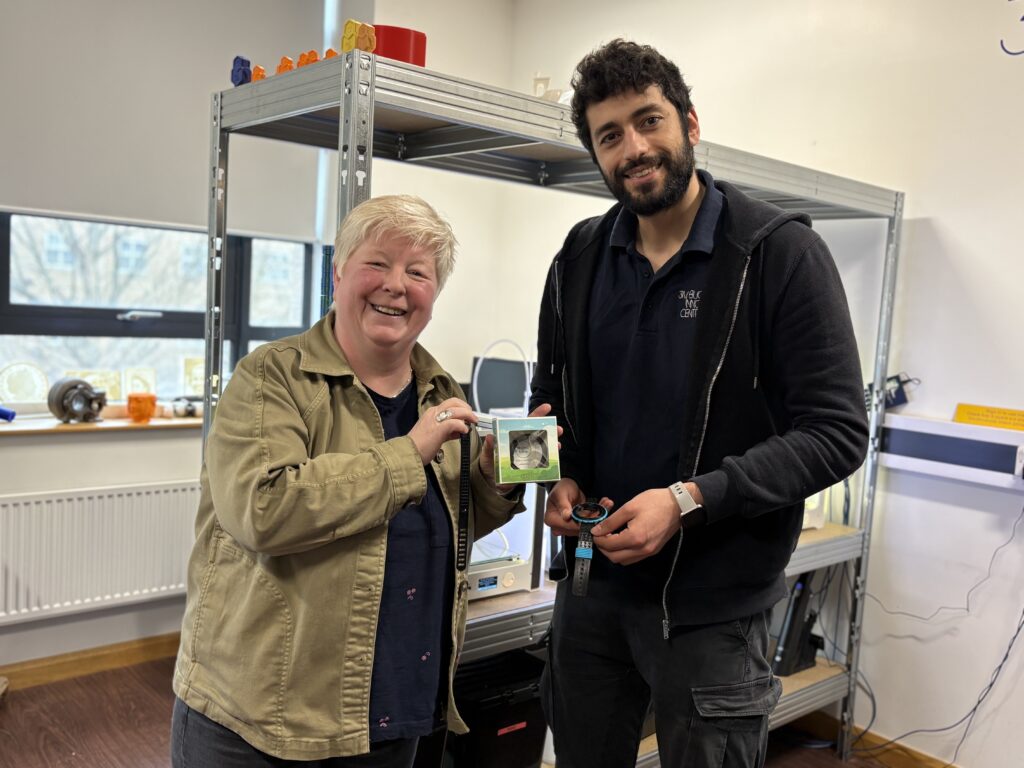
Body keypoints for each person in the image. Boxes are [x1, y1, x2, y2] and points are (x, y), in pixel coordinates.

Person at [530, 40, 870, 768]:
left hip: (711, 612)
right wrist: (552, 476)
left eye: (649, 121)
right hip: (590, 590)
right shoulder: (579, 260)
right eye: (610, 135)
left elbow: (838, 433)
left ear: (689, 122)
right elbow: (548, 400)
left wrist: (689, 500)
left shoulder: (777, 255)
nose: (635, 148)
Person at [171, 195, 551, 767]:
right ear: (339, 271)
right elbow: (264, 509)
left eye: (418, 272)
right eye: (378, 263)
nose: (396, 286)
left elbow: (451, 514)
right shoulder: (270, 378)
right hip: (262, 723)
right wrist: (411, 451)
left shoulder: (438, 390)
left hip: (393, 708)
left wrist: (496, 480)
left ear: (434, 295)